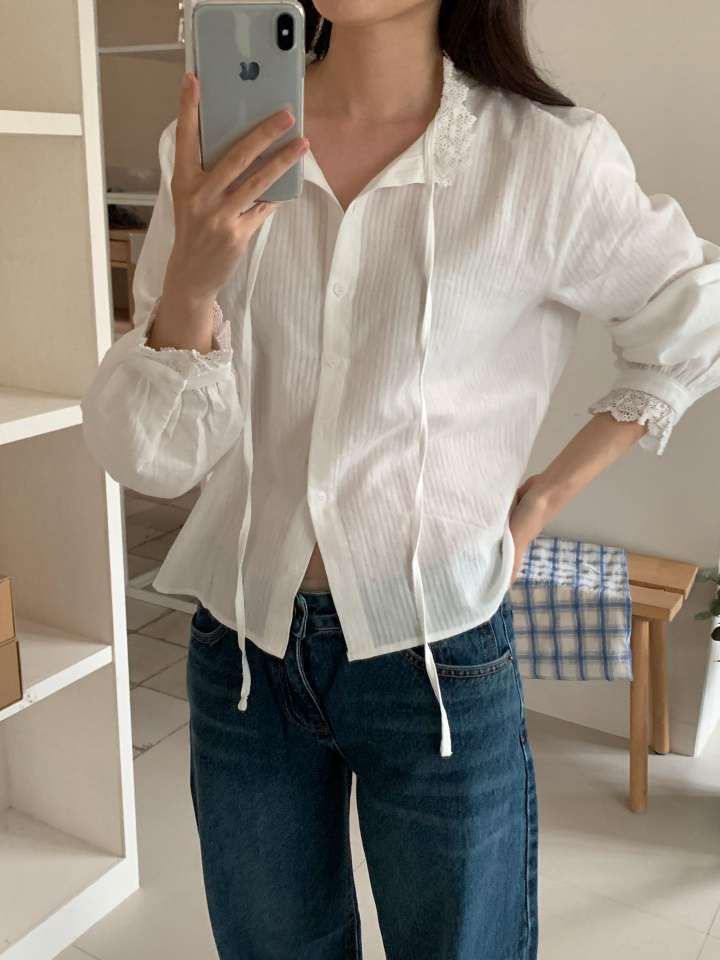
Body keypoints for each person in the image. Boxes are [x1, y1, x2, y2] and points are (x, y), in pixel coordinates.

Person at [80, 1, 720, 957]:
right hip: (240, 649)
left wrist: (541, 498)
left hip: (437, 656)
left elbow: (694, 317)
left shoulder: (545, 159)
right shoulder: (210, 148)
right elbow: (155, 458)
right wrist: (192, 284)